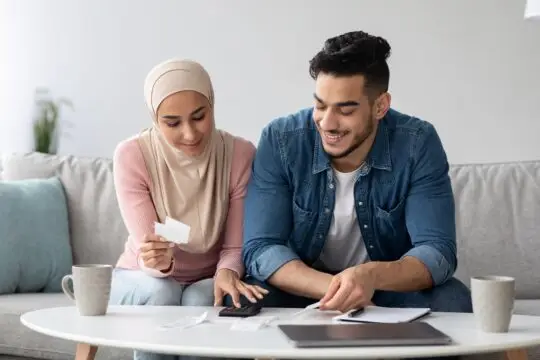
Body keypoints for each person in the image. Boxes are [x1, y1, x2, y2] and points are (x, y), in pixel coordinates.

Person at [239, 30, 473, 314]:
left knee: (454, 301)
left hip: (384, 289)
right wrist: (338, 288)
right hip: (305, 286)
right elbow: (262, 247)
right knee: (241, 301)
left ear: (380, 106)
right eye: (320, 105)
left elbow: (438, 251)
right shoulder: (281, 140)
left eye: (345, 111)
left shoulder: (417, 142)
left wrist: (370, 277)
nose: (327, 123)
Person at [109, 58, 267, 360]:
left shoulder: (239, 155)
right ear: (155, 119)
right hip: (141, 277)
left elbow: (235, 247)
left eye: (199, 117)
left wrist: (226, 272)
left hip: (208, 276)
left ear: (212, 106)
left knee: (199, 297)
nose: (190, 134)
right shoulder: (132, 155)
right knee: (163, 292)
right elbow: (149, 249)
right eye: (172, 123)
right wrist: (161, 262)